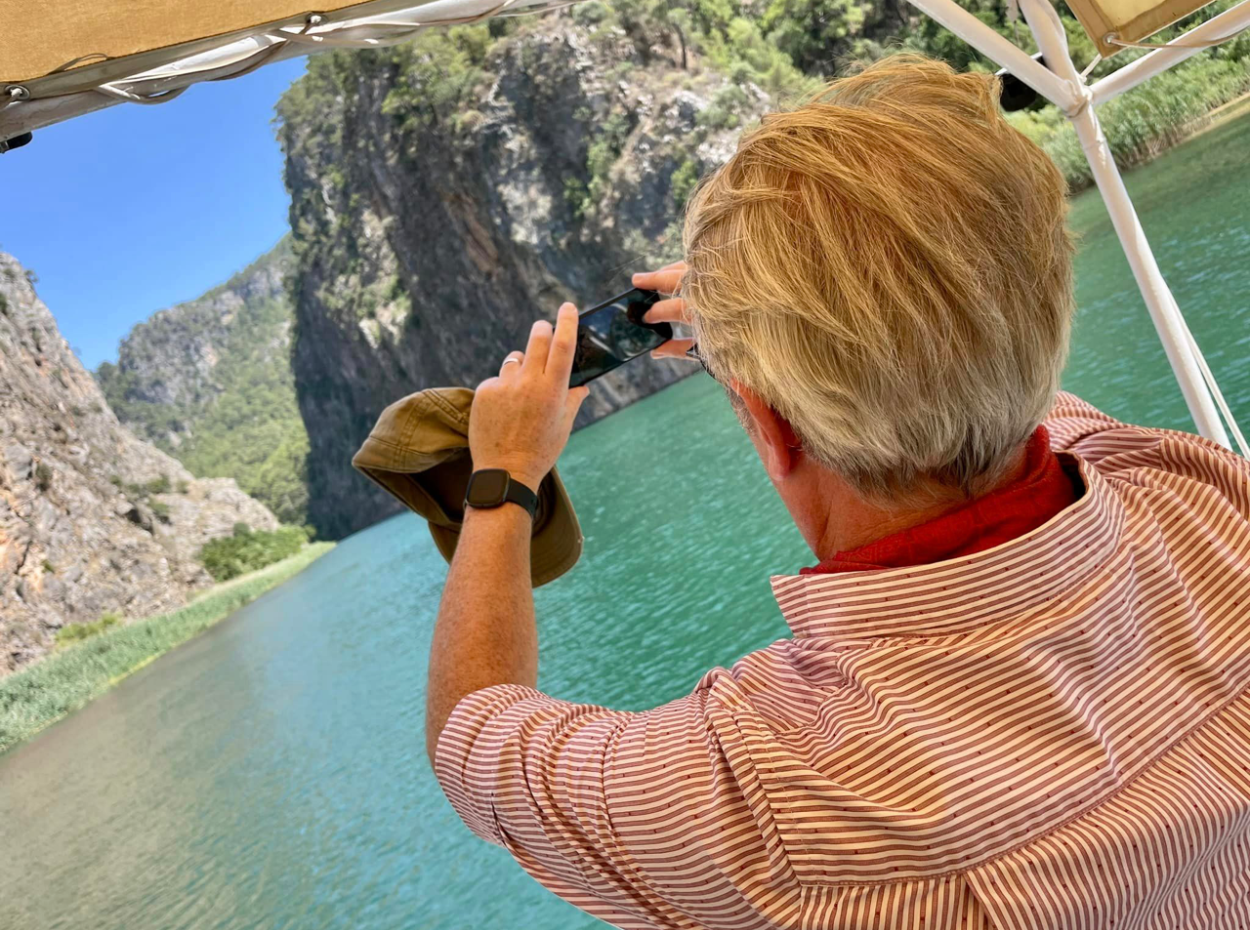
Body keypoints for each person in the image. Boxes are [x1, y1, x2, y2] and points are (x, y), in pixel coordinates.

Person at [424, 55, 1250, 928]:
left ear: (772, 425)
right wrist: (788, 337)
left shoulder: (761, 792)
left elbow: (474, 739)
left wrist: (504, 477)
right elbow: (1013, 394)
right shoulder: (1202, 501)